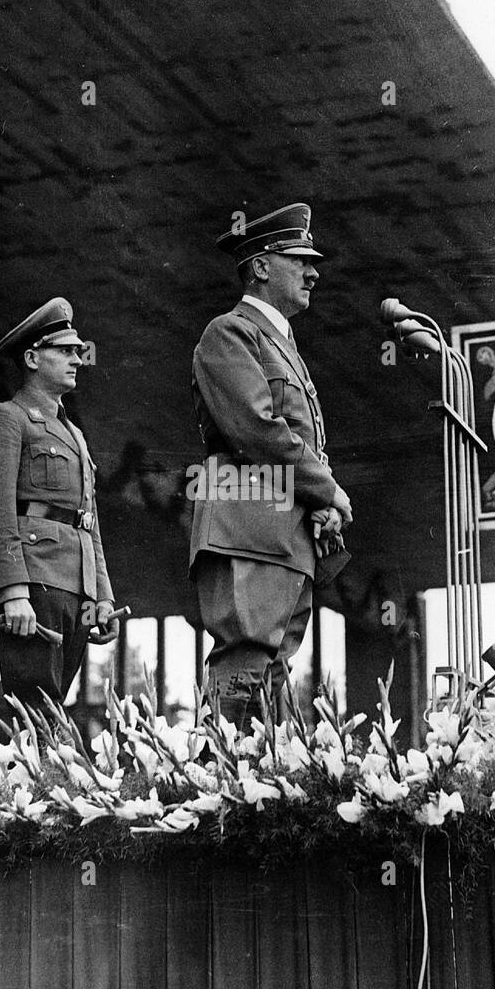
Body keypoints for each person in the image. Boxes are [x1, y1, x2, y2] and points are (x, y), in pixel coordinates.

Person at [189, 202, 352, 725]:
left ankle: (251, 795)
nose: (313, 270)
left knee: (271, 675)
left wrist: (318, 501)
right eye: (298, 258)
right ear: (260, 266)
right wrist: (326, 490)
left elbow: (294, 440)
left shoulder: (280, 343)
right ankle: (217, 793)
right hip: (248, 526)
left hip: (282, 532)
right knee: (245, 667)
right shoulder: (229, 332)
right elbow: (257, 430)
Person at [0, 298, 119, 714]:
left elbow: (88, 523)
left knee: (52, 711)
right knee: (33, 711)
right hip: (34, 582)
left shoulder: (73, 433)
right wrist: (12, 591)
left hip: (76, 588)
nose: (77, 359)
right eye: (65, 351)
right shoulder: (6, 418)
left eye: (77, 351)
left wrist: (102, 597)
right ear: (33, 358)